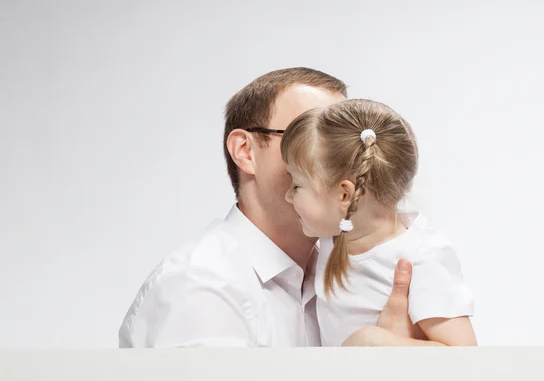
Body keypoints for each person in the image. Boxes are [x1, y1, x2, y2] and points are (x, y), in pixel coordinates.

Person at [119, 68, 436, 347]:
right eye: (307, 136)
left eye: (345, 143)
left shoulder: (369, 264)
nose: (343, 165)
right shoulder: (201, 289)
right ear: (245, 151)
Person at [281, 98, 477, 346]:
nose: (288, 195)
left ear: (345, 195)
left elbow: (466, 357)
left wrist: (372, 342)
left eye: (296, 185)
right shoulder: (331, 238)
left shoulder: (421, 256)